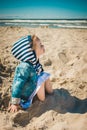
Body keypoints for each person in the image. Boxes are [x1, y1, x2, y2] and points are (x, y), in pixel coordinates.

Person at [8, 35, 53, 112]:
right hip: (26, 92)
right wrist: (14, 103)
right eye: (40, 45)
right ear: (31, 51)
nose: (43, 46)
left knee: (45, 76)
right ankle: (42, 98)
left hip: (33, 82)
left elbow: (39, 71)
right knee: (42, 88)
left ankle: (51, 92)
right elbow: (17, 85)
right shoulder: (24, 67)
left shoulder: (34, 61)